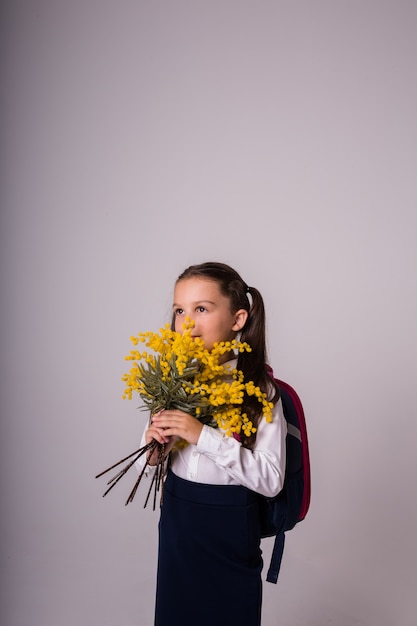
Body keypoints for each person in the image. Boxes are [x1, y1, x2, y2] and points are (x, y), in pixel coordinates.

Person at [136, 261, 287, 626]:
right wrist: (155, 449)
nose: (186, 323)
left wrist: (201, 435)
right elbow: (149, 459)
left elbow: (271, 480)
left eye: (202, 309)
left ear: (237, 320)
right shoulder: (175, 381)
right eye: (179, 311)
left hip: (231, 527)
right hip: (179, 521)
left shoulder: (261, 394)